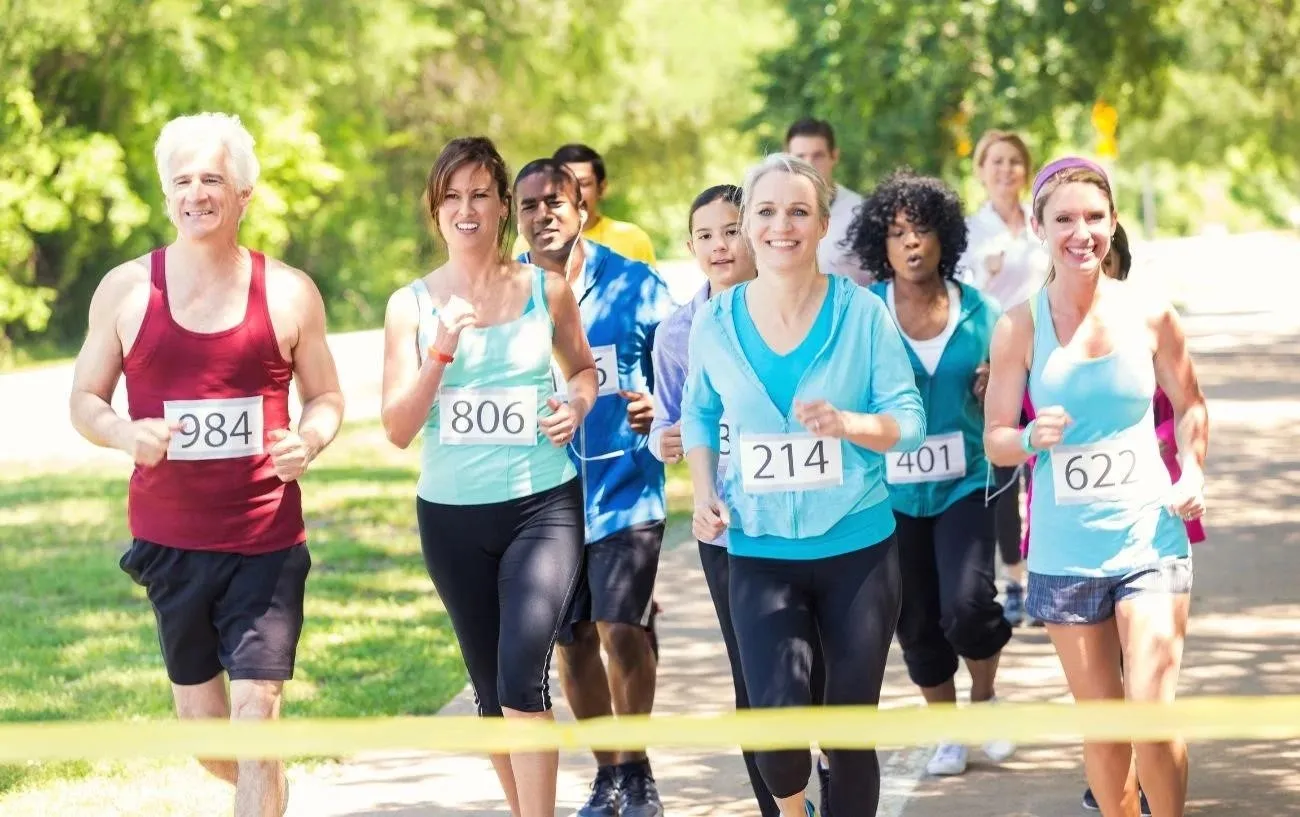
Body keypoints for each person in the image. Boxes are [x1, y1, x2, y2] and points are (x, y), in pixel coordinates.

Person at [68, 112, 345, 817]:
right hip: (170, 542)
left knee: (257, 713)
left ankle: (263, 781)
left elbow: (328, 396)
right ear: (167, 195)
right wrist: (125, 433)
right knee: (209, 735)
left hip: (266, 541)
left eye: (213, 179)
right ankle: (271, 786)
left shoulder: (287, 291)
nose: (197, 193)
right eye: (183, 180)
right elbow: (84, 398)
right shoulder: (126, 290)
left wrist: (307, 441)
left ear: (244, 194)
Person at [681, 154, 925, 817]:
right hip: (759, 552)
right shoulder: (716, 320)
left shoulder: (863, 314)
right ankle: (793, 808)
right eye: (764, 212)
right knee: (779, 742)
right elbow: (698, 411)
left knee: (848, 736)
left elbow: (909, 420)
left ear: (821, 225)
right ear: (745, 226)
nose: (779, 225)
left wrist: (850, 423)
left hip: (858, 549)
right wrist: (704, 489)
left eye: (797, 211)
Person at [380, 137, 598, 817]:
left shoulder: (545, 288)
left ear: (503, 205)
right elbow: (396, 426)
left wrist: (575, 404)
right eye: (452, 196)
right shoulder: (410, 305)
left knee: (520, 686)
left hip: (542, 507)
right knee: (486, 693)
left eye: (480, 194)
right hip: (450, 517)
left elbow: (585, 372)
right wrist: (440, 348)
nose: (466, 209)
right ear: (435, 210)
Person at [984, 157, 1208, 817]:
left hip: (1150, 539)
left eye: (1094, 217)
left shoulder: (1150, 312)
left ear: (1112, 223)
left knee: (1151, 709)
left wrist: (1191, 468)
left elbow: (1191, 404)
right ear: (1038, 226)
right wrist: (1028, 438)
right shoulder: (1018, 326)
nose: (1081, 232)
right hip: (1064, 552)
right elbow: (995, 434)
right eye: (1064, 219)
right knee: (1106, 727)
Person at [651, 184, 834, 817]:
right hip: (730, 529)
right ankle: (782, 807)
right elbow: (670, 420)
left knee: (821, 667)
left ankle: (836, 776)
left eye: (731, 230)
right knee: (754, 674)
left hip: (815, 519)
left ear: (756, 233)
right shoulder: (677, 332)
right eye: (704, 236)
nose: (719, 246)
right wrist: (665, 439)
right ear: (691, 247)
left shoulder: (816, 307)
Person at [514, 158, 674, 817]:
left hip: (626, 482)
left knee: (621, 625)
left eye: (555, 200)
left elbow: (683, 364)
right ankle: (611, 772)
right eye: (528, 205)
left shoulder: (636, 282)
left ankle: (636, 772)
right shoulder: (505, 292)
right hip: (547, 496)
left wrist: (661, 405)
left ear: (581, 207)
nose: (542, 213)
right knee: (573, 637)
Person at [848, 170, 1015, 777]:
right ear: (881, 246)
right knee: (915, 616)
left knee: (969, 605)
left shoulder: (985, 312)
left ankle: (986, 698)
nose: (912, 243)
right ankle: (945, 727)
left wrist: (999, 384)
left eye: (922, 230)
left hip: (964, 481)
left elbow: (1015, 390)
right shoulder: (863, 314)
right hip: (888, 492)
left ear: (945, 236)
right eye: (897, 233)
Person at [959, 129, 1048, 626]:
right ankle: (1014, 580)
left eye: (1015, 161)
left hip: (1046, 363)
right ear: (980, 168)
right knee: (1004, 475)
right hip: (996, 367)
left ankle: (1046, 574)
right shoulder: (971, 231)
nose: (1006, 169)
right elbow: (964, 303)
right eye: (996, 160)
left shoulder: (1041, 224)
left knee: (1045, 473)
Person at [784, 118, 871, 285]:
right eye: (800, 157)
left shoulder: (860, 212)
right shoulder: (773, 214)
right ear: (787, 159)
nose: (808, 165)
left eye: (818, 156)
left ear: (834, 156)